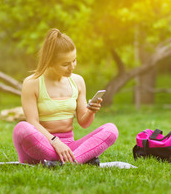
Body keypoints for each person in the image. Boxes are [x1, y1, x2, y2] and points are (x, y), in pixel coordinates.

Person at [13, 28, 118, 165]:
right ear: (49, 61)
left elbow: (84, 122)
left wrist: (91, 110)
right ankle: (78, 159)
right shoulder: (32, 83)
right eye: (65, 64)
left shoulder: (78, 81)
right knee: (21, 128)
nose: (72, 67)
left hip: (69, 147)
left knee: (111, 130)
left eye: (74, 60)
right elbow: (32, 122)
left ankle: (65, 162)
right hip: (43, 145)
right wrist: (55, 142)